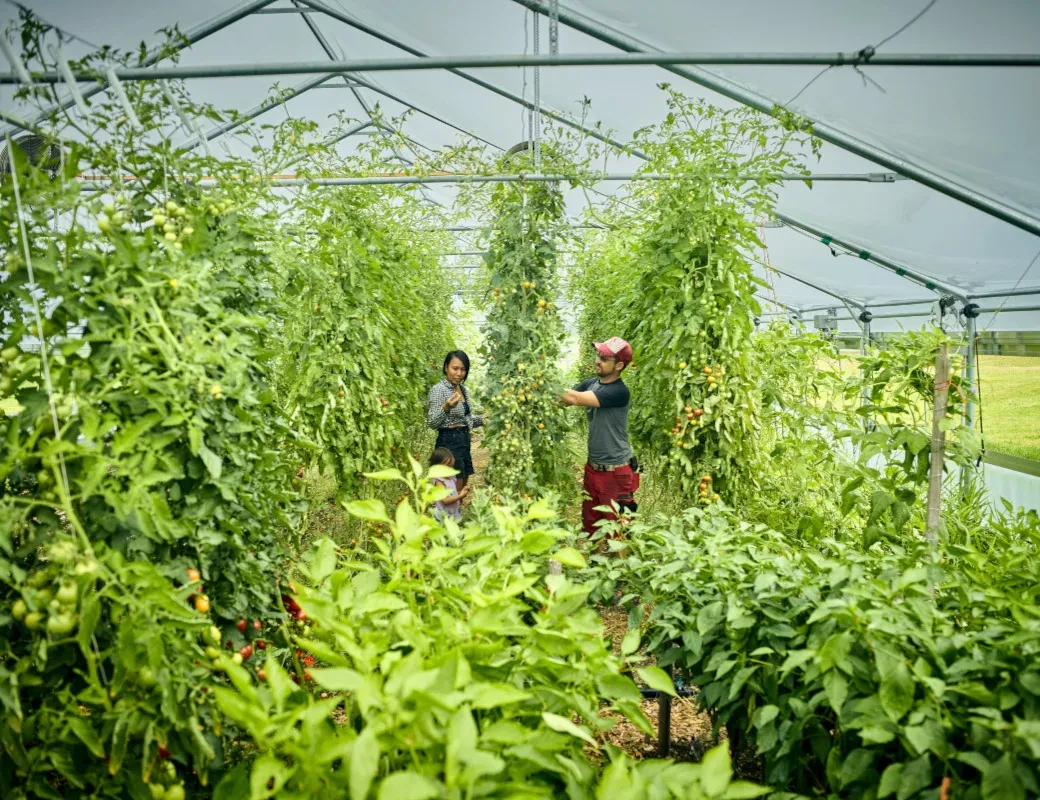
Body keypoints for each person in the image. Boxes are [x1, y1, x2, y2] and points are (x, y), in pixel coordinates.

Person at [561, 337, 638, 541]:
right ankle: (596, 568)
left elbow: (574, 398)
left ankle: (619, 572)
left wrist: (541, 384)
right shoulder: (592, 383)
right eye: (599, 356)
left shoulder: (620, 392)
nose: (598, 360)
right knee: (591, 526)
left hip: (616, 473)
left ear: (619, 365)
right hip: (593, 468)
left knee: (617, 531)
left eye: (604, 358)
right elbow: (564, 400)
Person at [427, 350, 483, 491]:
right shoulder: (439, 390)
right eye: (455, 368)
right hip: (448, 442)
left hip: (463, 440)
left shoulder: (463, 390)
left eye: (463, 369)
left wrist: (485, 420)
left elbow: (467, 420)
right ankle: (445, 512)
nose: (459, 373)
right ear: (446, 367)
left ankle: (454, 512)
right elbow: (432, 422)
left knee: (462, 483)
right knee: (451, 488)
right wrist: (446, 407)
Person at [429, 447, 470, 522]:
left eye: (452, 466)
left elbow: (452, 494)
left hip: (453, 513)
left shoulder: (451, 477)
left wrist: (461, 492)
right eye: (448, 466)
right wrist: (460, 496)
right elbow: (445, 500)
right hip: (444, 517)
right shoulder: (439, 482)